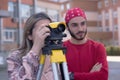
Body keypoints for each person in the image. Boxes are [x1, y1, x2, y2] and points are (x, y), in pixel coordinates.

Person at [63, 7, 108, 80]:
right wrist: (91, 75)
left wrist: (71, 76)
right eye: (74, 25)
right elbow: (59, 76)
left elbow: (102, 76)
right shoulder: (61, 48)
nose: (80, 29)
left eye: (83, 23)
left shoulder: (98, 48)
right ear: (67, 27)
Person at [6, 12, 54, 80]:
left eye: (50, 29)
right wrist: (36, 49)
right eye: (42, 29)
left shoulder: (57, 55)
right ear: (29, 35)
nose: (47, 32)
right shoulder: (15, 57)